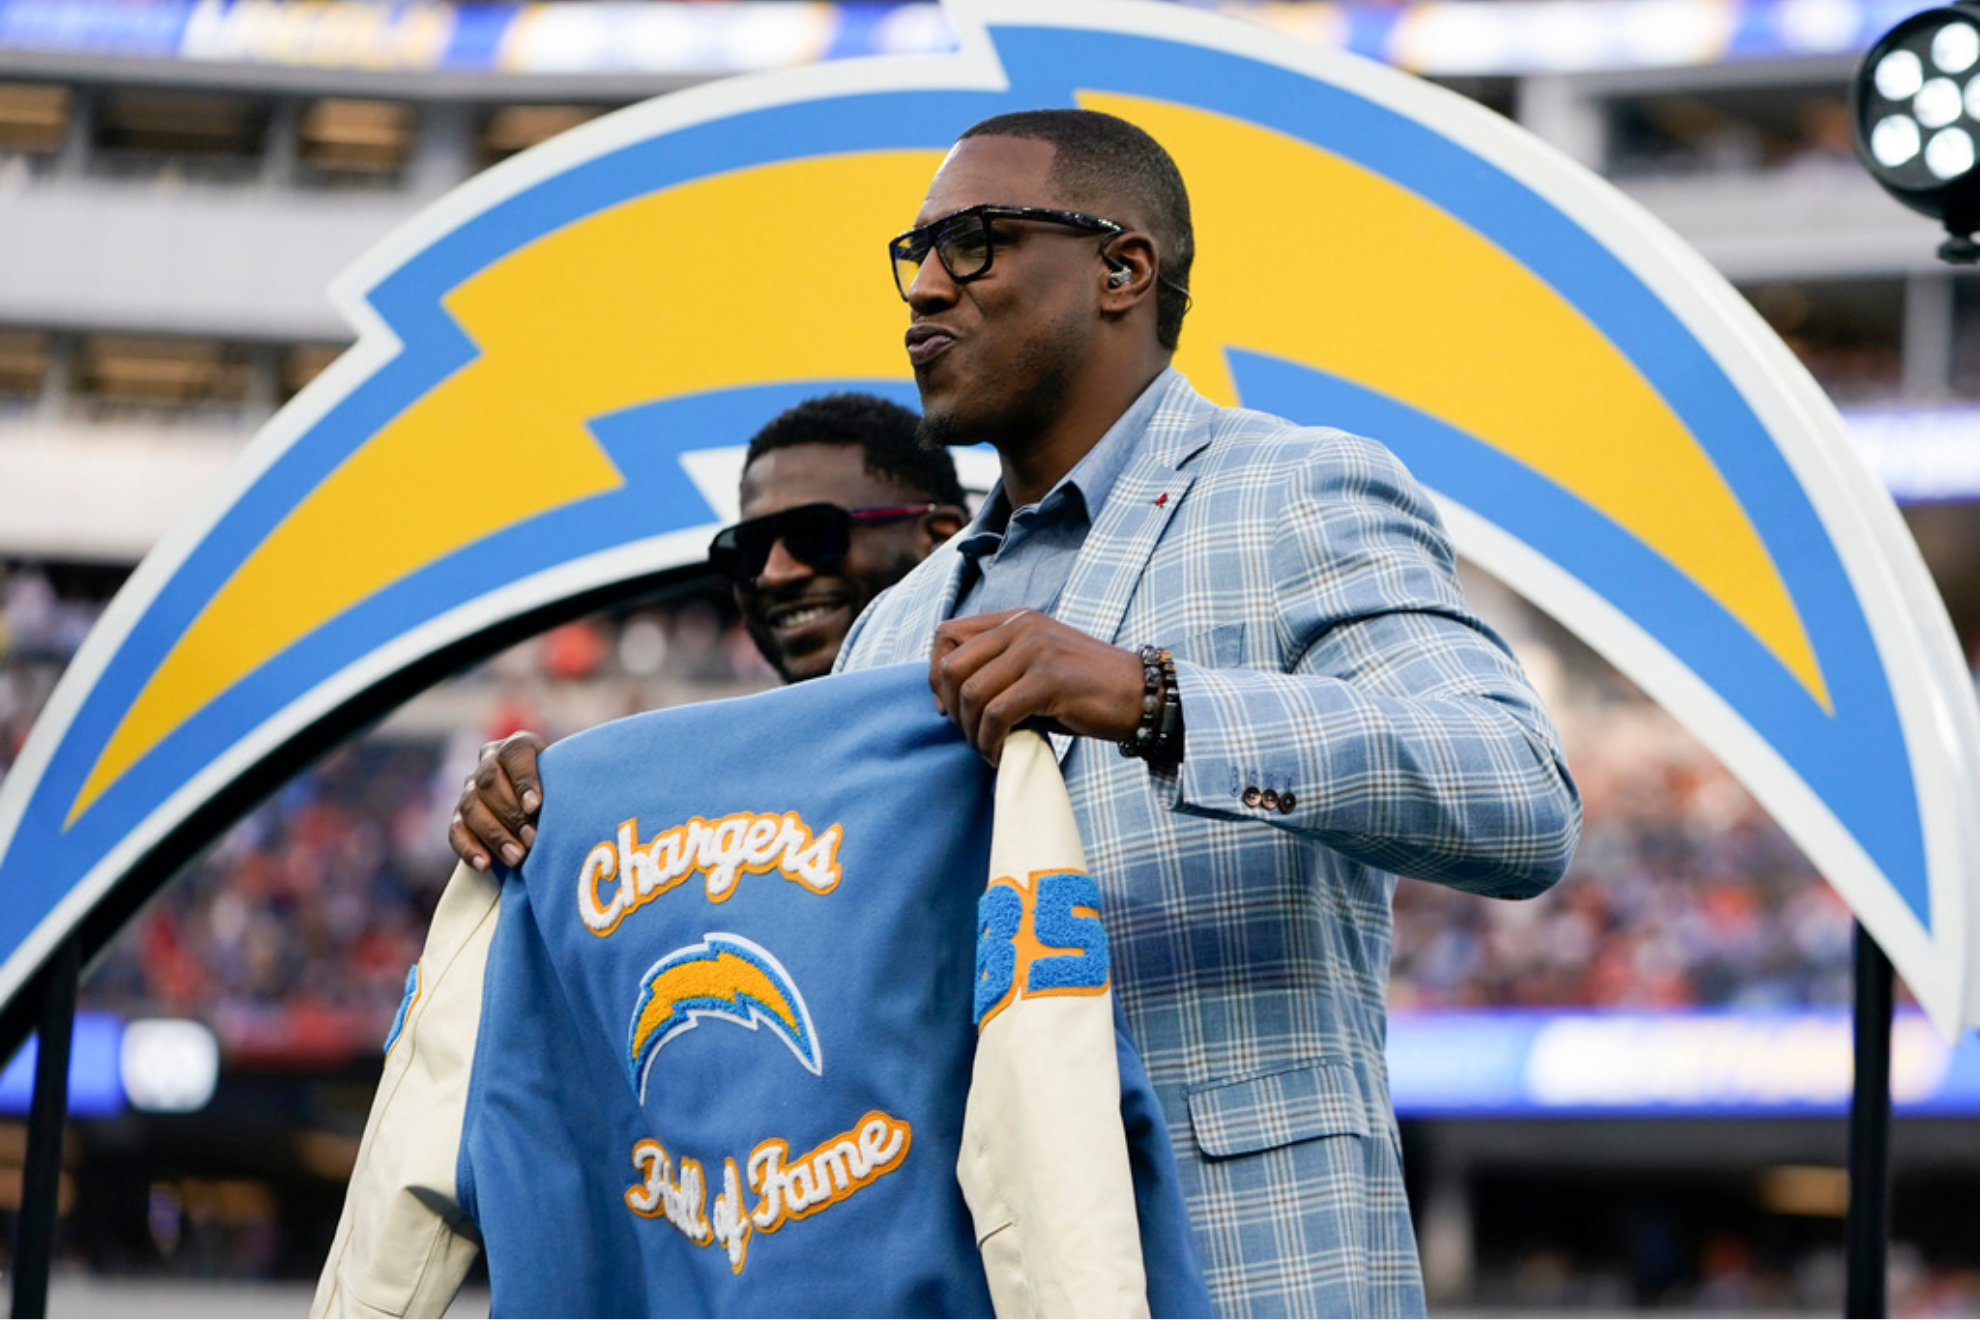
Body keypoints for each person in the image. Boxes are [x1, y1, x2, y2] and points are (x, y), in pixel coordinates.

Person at [453, 109, 1580, 1316]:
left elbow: (1518, 793)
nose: (926, 288)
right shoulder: (899, 620)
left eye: (976, 242)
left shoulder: (1294, 491)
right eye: (917, 254)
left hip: (1244, 1264)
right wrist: (564, 827)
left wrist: (1150, 698)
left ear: (1122, 269)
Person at [449, 391, 966, 871]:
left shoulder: (998, 734)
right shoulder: (740, 797)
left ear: (939, 537)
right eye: (748, 549)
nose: (773, 573)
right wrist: (539, 796)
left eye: (814, 534)